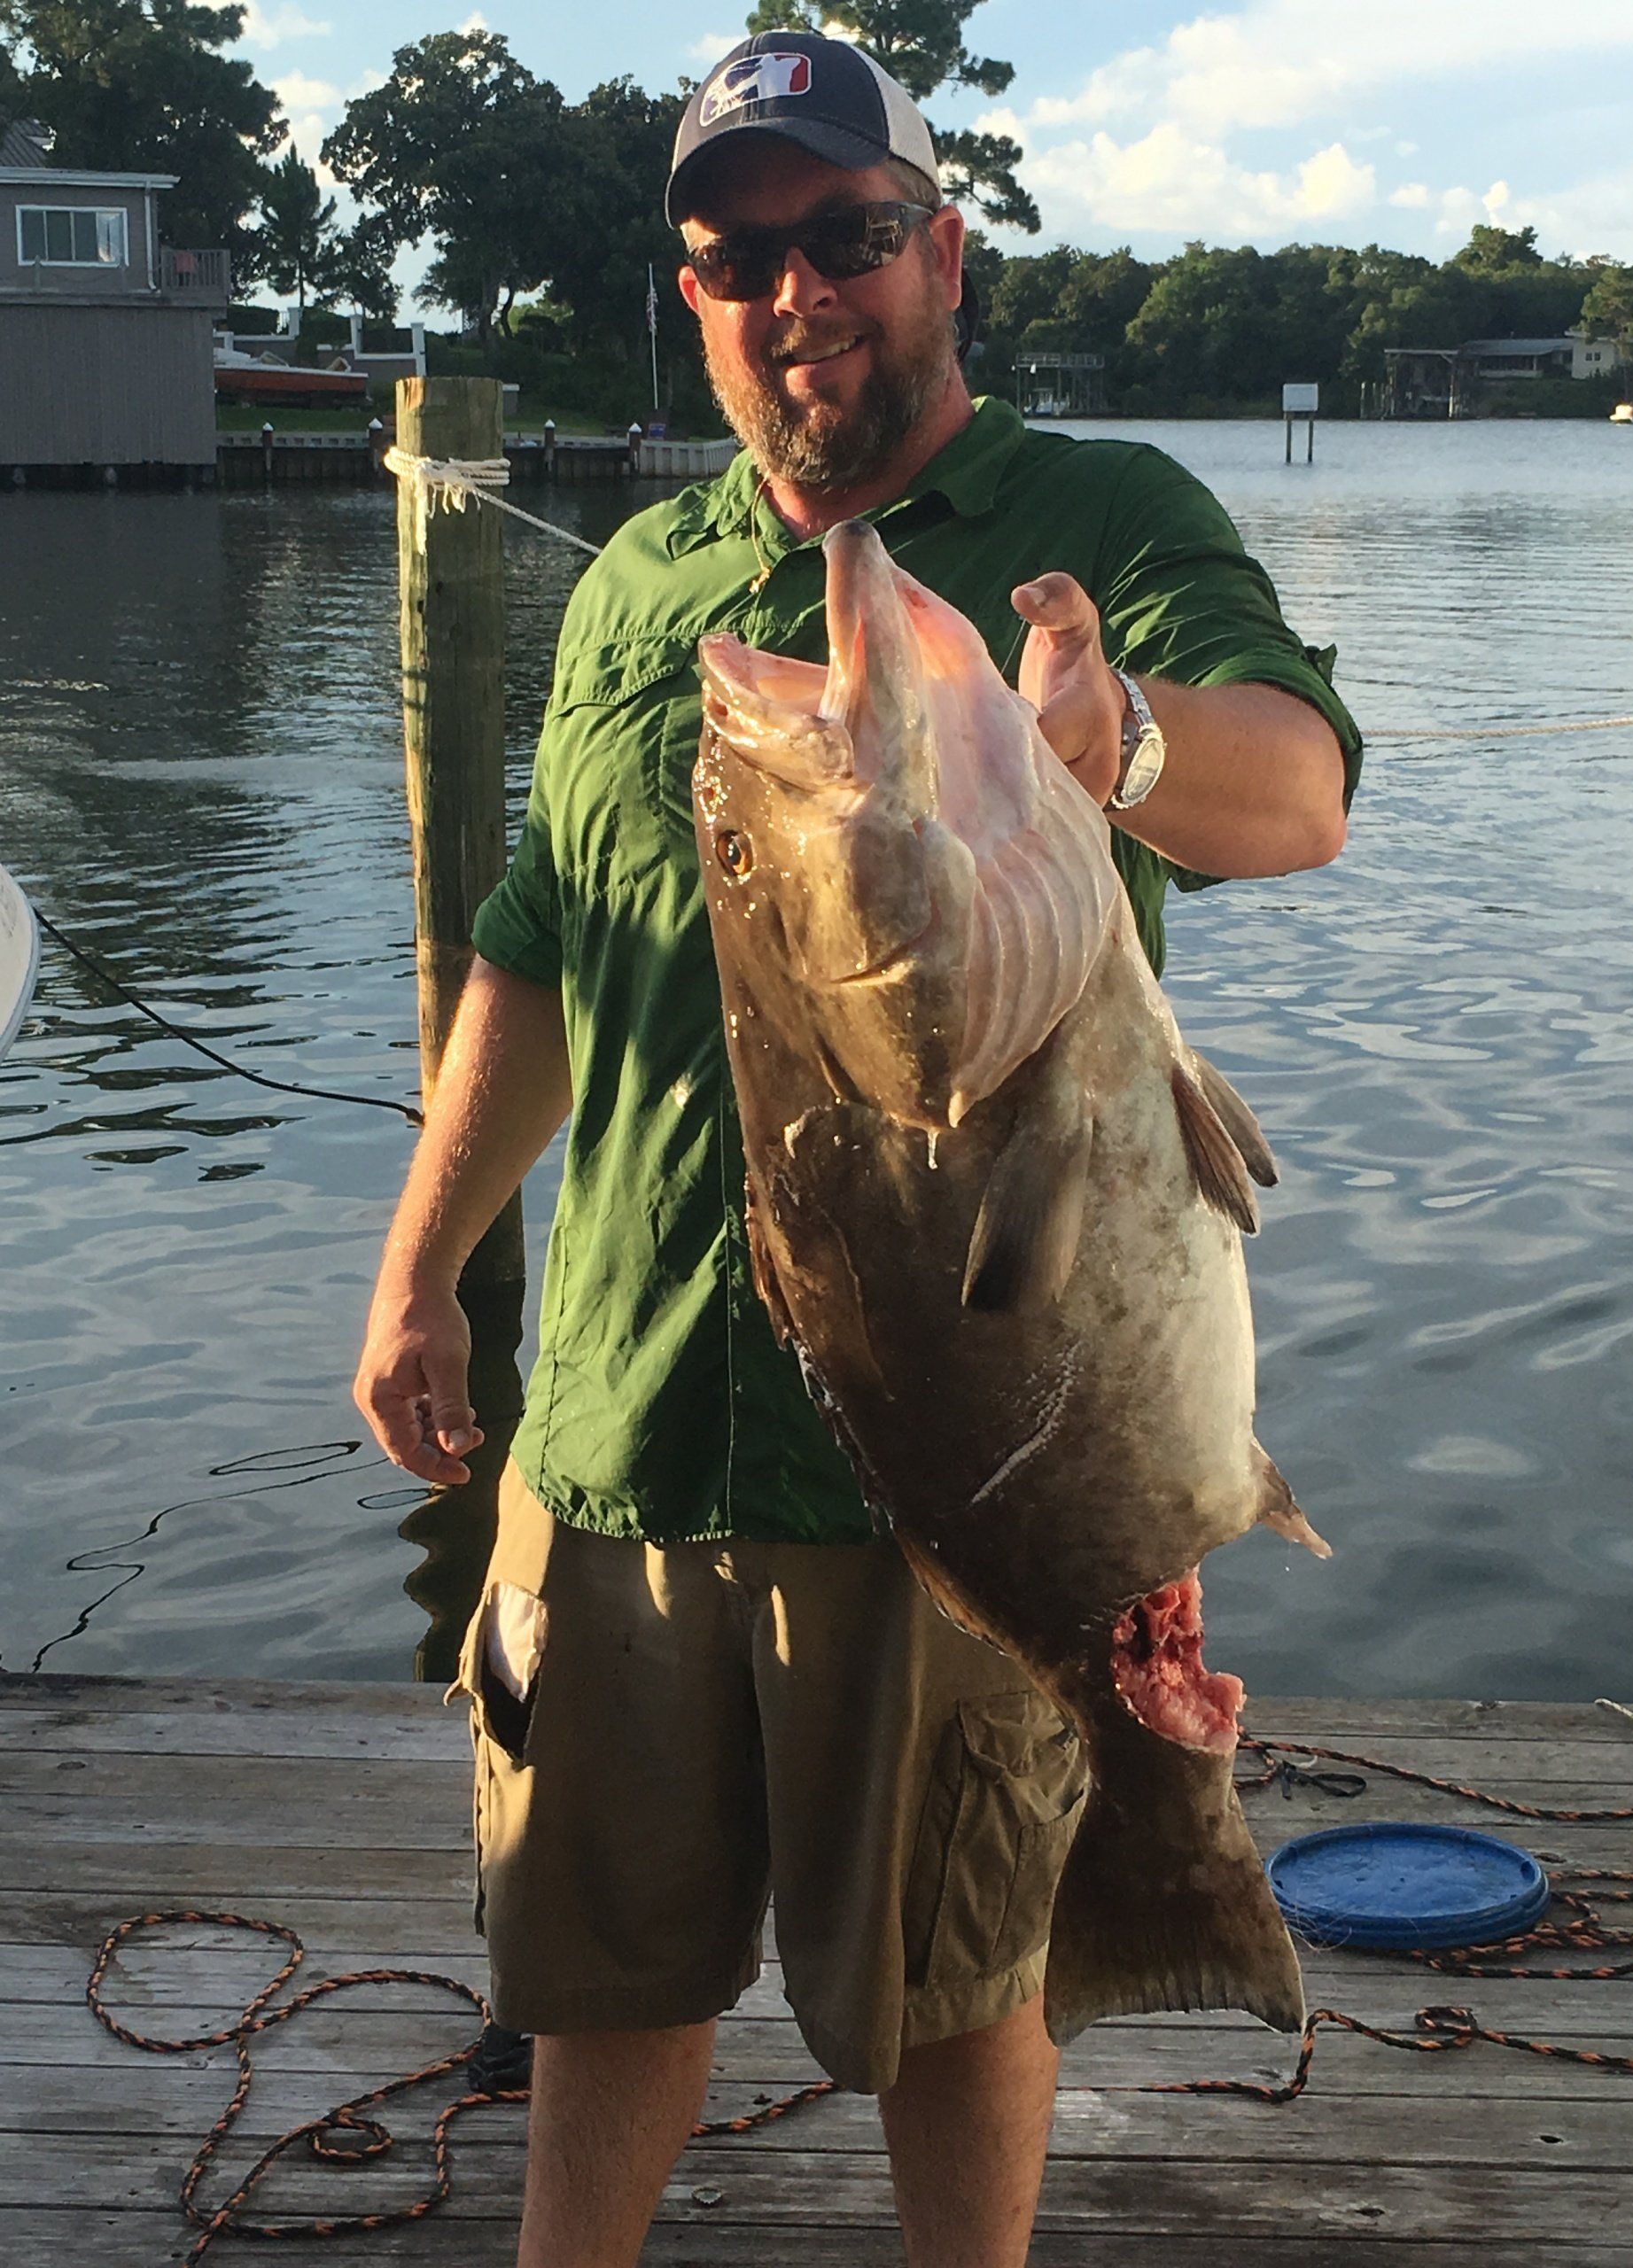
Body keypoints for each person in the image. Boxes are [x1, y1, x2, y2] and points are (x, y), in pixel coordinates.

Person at [354, 31, 1362, 2268]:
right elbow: (541, 946)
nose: (796, 291)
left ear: (947, 255)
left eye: (849, 235)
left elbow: (1299, 789)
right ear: (692, 300)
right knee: (597, 1981)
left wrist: (1120, 738)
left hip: (955, 1471)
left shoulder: (1102, 519)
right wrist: (422, 1263)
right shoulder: (644, 584)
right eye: (739, 258)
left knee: (956, 1993)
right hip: (612, 1433)